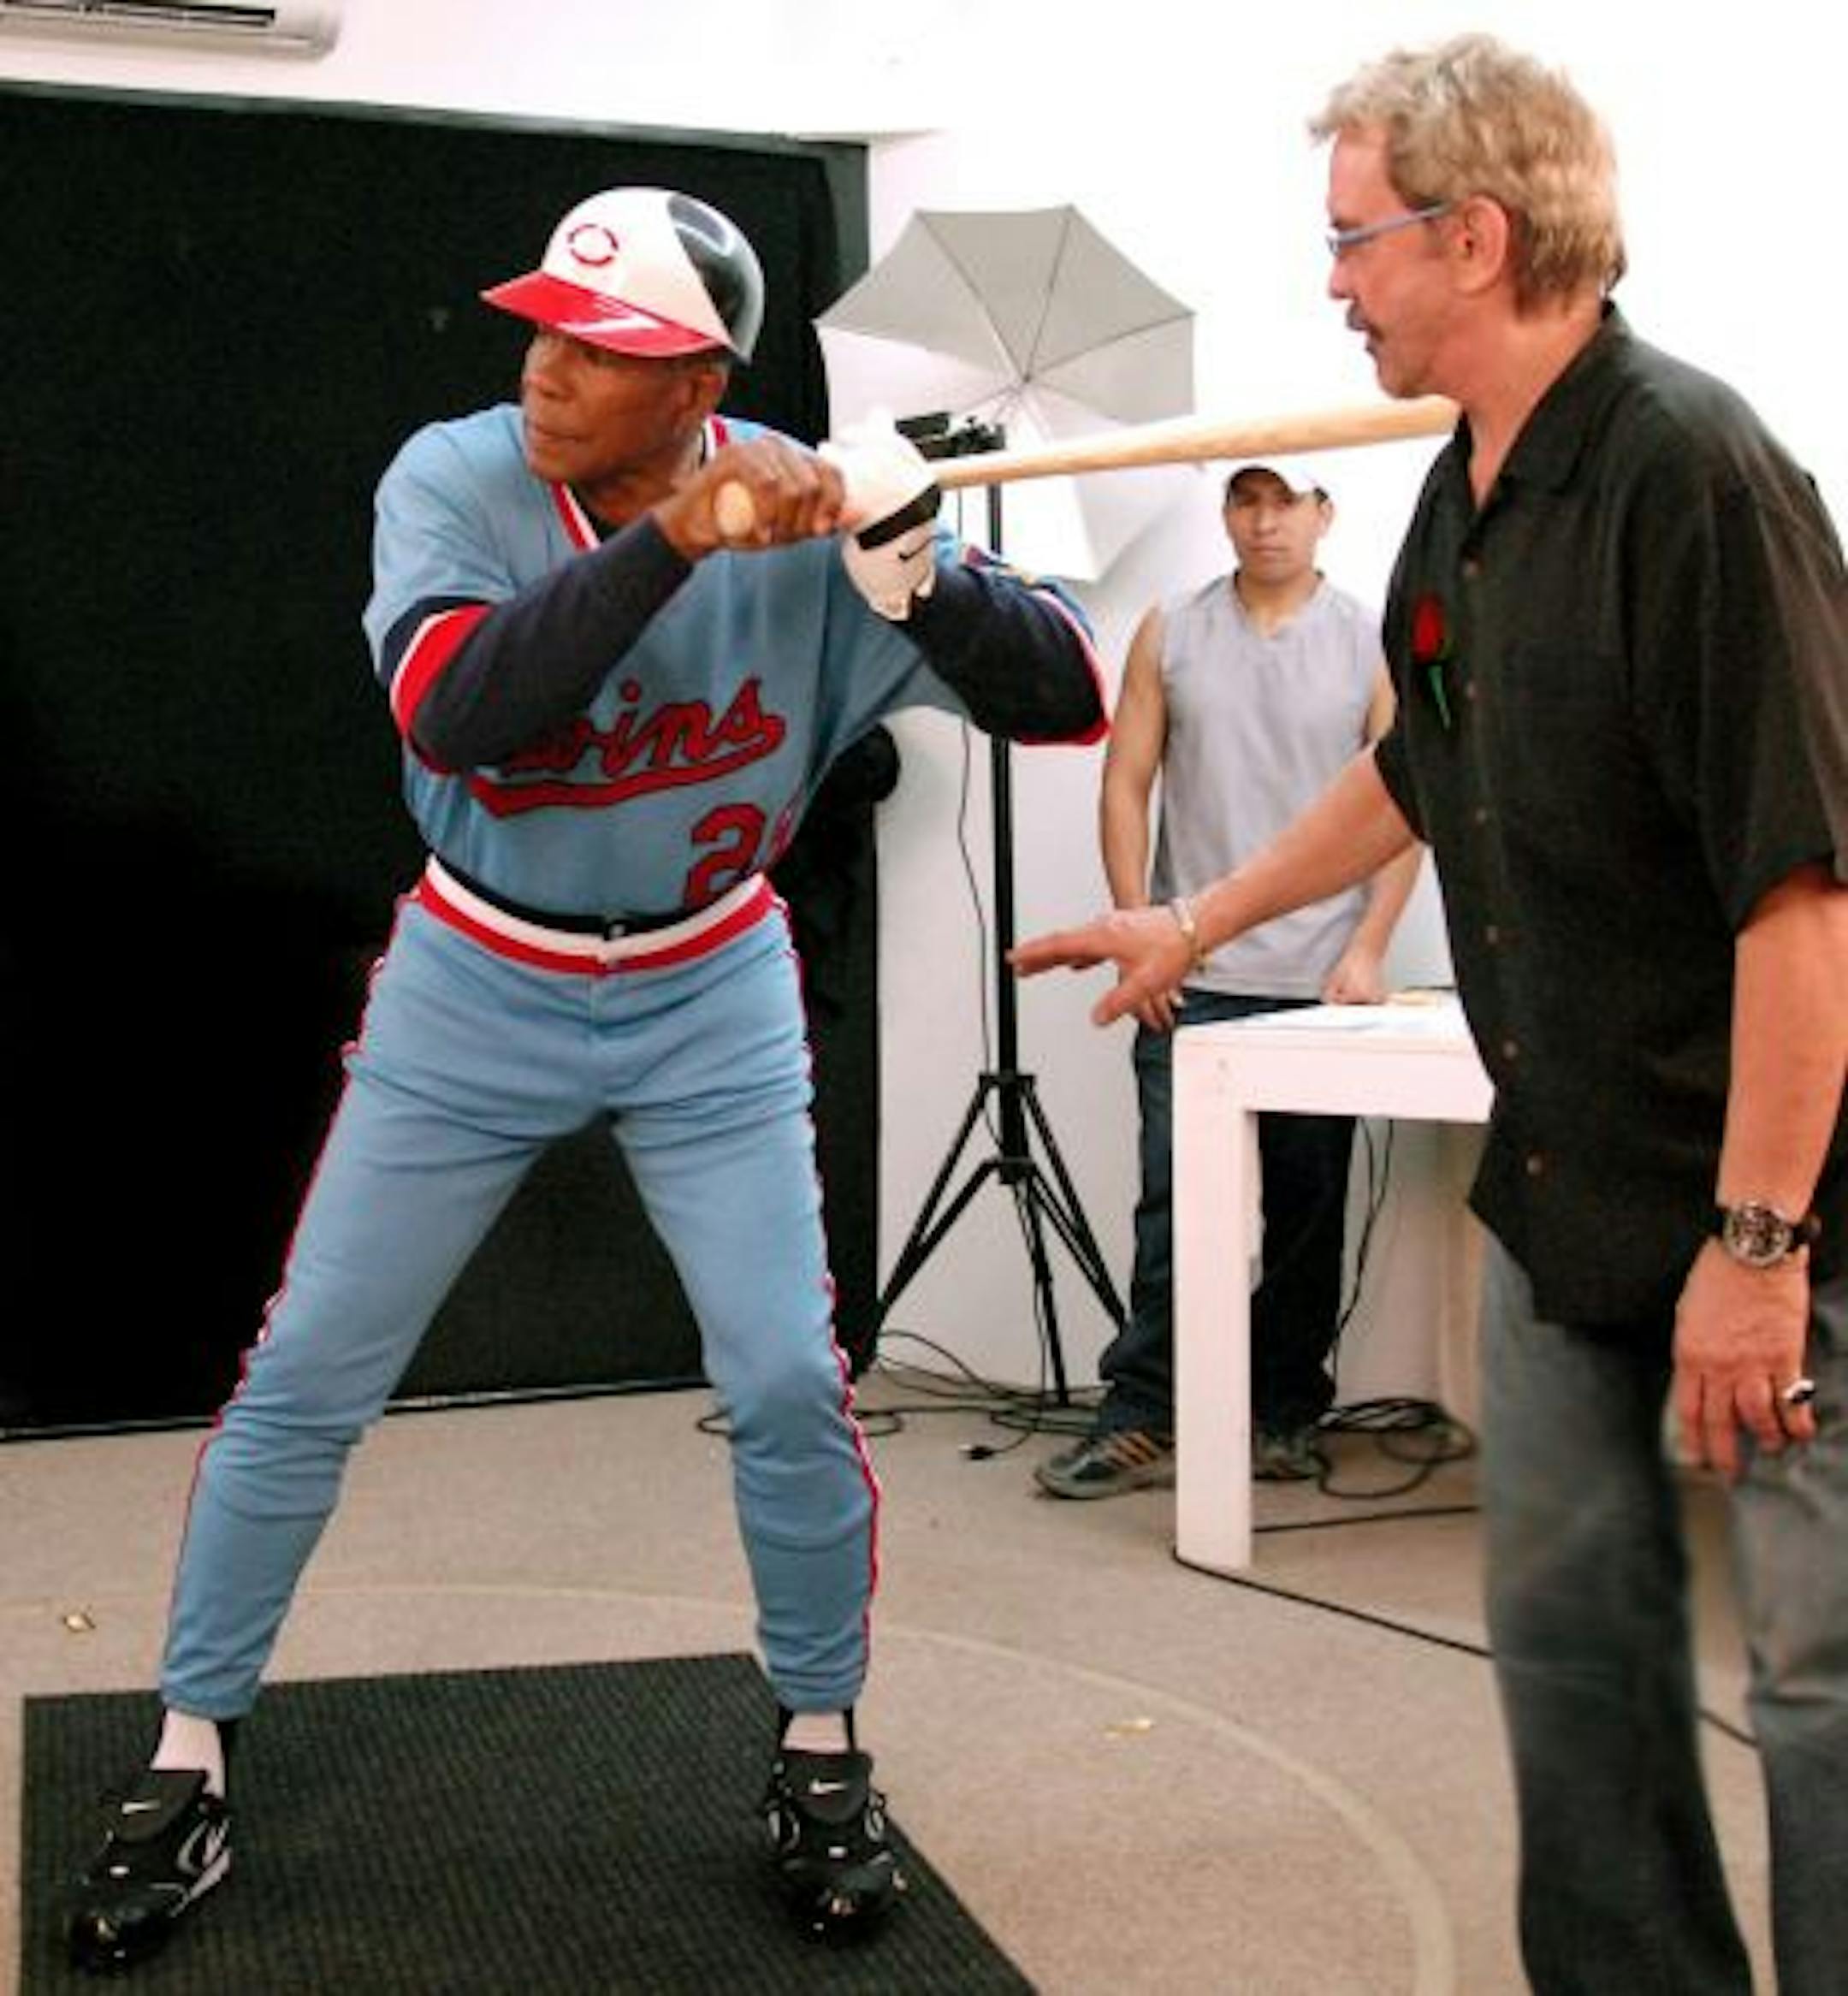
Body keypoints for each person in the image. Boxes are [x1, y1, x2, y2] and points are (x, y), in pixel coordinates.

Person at [64, 185, 1105, 1973]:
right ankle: (187, 1747)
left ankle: (821, 1740)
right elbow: (461, 710)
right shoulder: (459, 476)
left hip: (710, 978)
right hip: (478, 975)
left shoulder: (810, 510)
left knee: (785, 1374)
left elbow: (1066, 695)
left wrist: (925, 574)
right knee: (309, 1369)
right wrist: (683, 539)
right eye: (542, 327)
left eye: (600, 346)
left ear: (699, 384)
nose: (547, 368)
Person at [1014, 34, 1847, 1996]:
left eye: (1352, 239)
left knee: (1820, 1684)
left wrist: (1756, 1248)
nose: (1332, 283)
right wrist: (1195, 914)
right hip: (1563, 1191)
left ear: (1474, 237)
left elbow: (1804, 897)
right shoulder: (1459, 496)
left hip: (1773, 1205)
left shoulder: (1697, 477)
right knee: (1570, 1647)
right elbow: (1413, 769)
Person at [1036, 464, 1420, 1499]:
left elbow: (1406, 803)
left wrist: (1368, 947)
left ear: (1325, 512)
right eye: (1246, 501)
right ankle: (1143, 1412)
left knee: (1306, 1207)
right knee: (1174, 1207)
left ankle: (1284, 1408)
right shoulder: (1173, 630)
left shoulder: (1369, 638)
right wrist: (1138, 931)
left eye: (1286, 501)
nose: (1265, 521)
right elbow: (1126, 782)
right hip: (1191, 973)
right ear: (1226, 515)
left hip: (1317, 983)